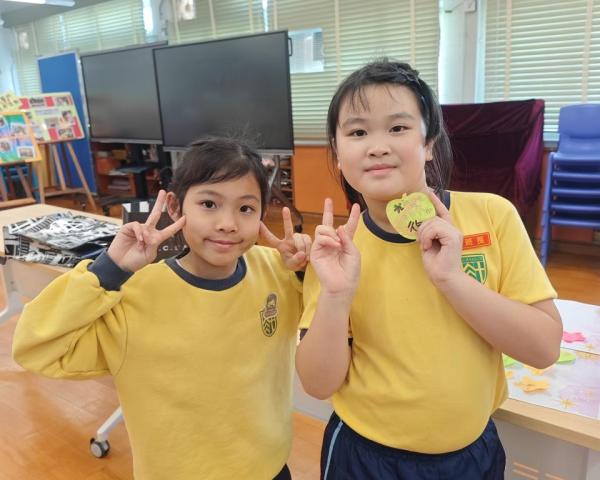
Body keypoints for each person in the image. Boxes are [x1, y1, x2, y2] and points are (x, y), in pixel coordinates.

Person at [295, 60, 563, 479]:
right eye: (358, 132)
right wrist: (335, 294)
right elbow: (317, 384)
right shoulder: (337, 249)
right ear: (338, 152)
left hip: (471, 454)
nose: (377, 146)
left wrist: (452, 280)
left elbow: (544, 348)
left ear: (429, 143)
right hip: (364, 456)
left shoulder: (492, 215)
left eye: (398, 127)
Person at [13, 136, 311, 480]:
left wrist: (306, 270)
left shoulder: (277, 271)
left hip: (269, 468)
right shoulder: (134, 294)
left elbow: (331, 317)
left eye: (245, 208)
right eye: (209, 204)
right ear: (174, 207)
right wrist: (108, 270)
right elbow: (34, 348)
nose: (228, 223)